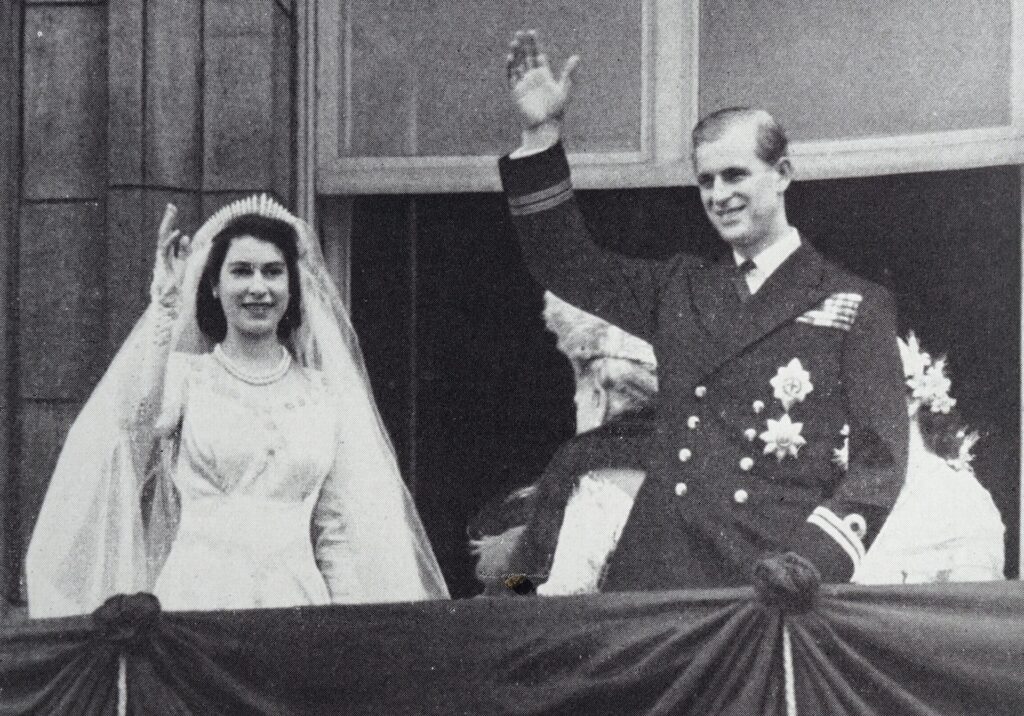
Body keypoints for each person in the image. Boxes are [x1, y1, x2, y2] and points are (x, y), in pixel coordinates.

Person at [498, 32, 909, 591]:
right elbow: (569, 267)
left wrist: (812, 563)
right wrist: (540, 135)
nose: (719, 195)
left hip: (768, 577)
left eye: (735, 175)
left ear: (783, 172)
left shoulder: (852, 304)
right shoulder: (681, 288)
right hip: (657, 569)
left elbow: (879, 464)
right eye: (706, 181)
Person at [26, 195, 449, 617]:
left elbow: (334, 531)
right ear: (214, 284)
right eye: (241, 271)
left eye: (273, 272)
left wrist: (343, 628)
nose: (258, 288)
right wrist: (164, 308)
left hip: (295, 610)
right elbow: (137, 423)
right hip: (197, 607)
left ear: (291, 286)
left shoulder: (323, 395)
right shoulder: (186, 378)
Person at [469, 291, 655, 595]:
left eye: (578, 386)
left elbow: (540, 596)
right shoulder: (695, 446)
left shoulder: (583, 457)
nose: (574, 398)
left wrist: (505, 573)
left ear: (598, 393)